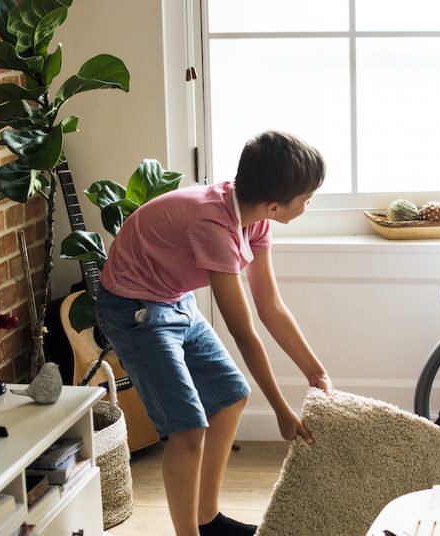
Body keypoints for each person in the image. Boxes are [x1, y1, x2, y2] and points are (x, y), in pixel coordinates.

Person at [95, 131, 334, 536]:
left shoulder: (254, 220)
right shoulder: (214, 225)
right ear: (276, 205)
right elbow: (244, 333)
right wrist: (280, 409)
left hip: (174, 299)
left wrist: (316, 372)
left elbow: (270, 306)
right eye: (307, 199)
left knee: (230, 397)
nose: (308, 205)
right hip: (134, 310)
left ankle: (208, 522)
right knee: (188, 428)